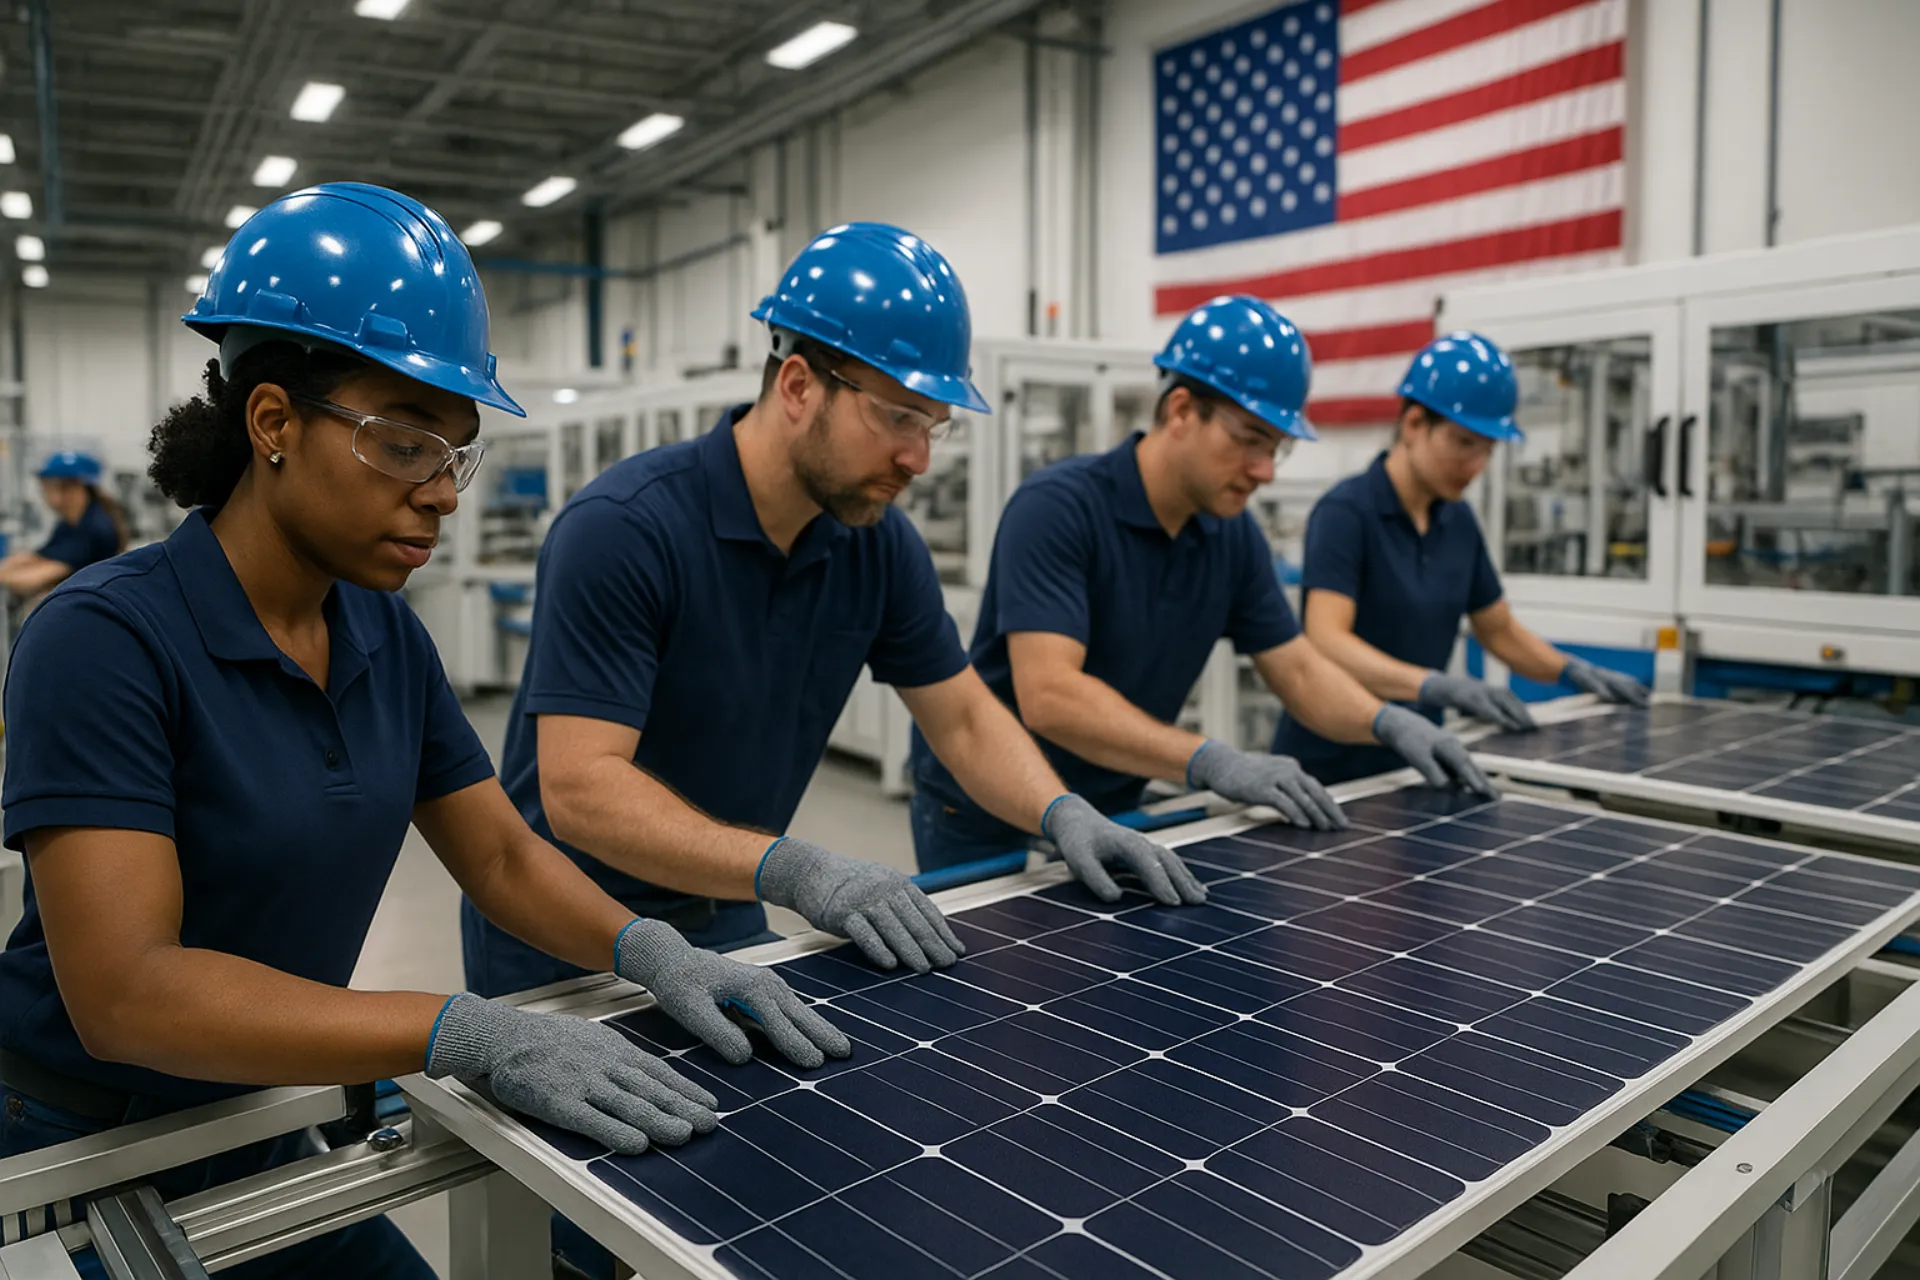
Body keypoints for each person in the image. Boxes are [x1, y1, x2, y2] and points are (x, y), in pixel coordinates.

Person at [0, 184, 846, 1280]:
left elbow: (496, 852)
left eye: (455, 453)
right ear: (272, 424)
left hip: (258, 1119)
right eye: (403, 443)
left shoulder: (382, 637)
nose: (441, 493)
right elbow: (127, 992)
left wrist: (648, 946)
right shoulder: (105, 636)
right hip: (74, 1151)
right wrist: (459, 1028)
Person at [464, 221, 1208, 1007]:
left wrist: (1060, 810)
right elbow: (580, 790)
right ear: (796, 386)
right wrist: (797, 870)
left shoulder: (877, 544)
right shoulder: (623, 528)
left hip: (724, 903)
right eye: (898, 418)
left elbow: (959, 718)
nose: (918, 459)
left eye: (933, 426)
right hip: (569, 939)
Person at [907, 296, 1497, 871]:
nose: (1264, 471)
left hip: (1112, 794)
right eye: (1249, 440)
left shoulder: (1232, 535)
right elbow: (1051, 696)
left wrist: (1387, 721)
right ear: (1182, 411)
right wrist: (1210, 758)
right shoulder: (1059, 508)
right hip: (989, 806)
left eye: (1277, 447)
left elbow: (1295, 668)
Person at [1274, 331, 1650, 785]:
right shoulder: (1346, 512)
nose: (1476, 466)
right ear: (1414, 424)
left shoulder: (1458, 521)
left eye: (1488, 450)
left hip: (1418, 761)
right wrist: (1433, 685)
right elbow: (1327, 639)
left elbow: (1498, 629)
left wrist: (1572, 670)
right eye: (1464, 443)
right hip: (1333, 765)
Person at [0, 452, 129, 604]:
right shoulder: (71, 523)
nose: (45, 495)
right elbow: (39, 556)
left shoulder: (94, 529)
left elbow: (35, 579)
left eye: (48, 488)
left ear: (73, 489)